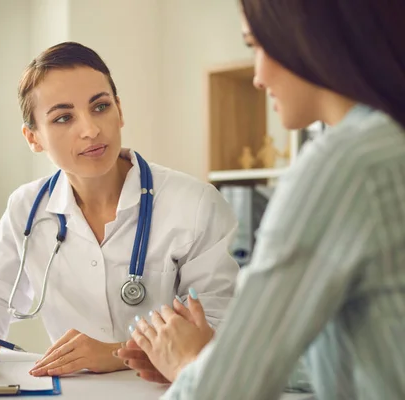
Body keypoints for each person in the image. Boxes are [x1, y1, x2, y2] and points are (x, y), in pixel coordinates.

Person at [121, 0, 405, 398]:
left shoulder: (342, 164)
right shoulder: (387, 146)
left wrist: (191, 367)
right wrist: (212, 355)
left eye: (256, 46)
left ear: (308, 37)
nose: (257, 77)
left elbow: (223, 393)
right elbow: (363, 346)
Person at [0, 42, 240, 379]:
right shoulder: (26, 207)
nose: (90, 129)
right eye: (63, 117)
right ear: (33, 138)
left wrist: (117, 353)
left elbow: (220, 329)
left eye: (100, 106)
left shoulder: (195, 204)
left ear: (119, 110)